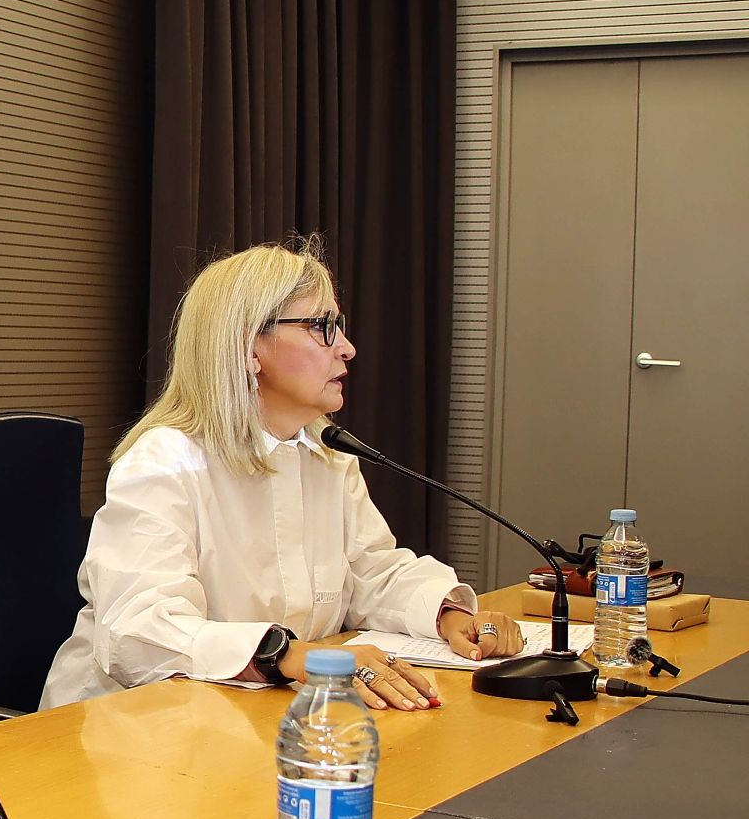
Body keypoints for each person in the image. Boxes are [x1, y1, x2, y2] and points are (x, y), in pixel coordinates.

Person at [41, 239, 523, 712]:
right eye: (323, 327)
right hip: (121, 733)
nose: (348, 349)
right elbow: (139, 631)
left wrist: (446, 614)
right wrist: (286, 655)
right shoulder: (165, 460)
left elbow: (370, 571)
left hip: (252, 718)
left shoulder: (326, 452)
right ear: (251, 347)